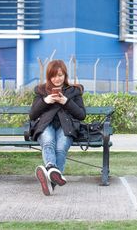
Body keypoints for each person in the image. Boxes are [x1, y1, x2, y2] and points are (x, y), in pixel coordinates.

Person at [29, 60, 85, 196]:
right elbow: (32, 115)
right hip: (46, 125)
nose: (57, 79)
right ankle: (51, 169)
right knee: (48, 142)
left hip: (66, 126)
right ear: (49, 77)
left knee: (60, 148)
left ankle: (50, 180)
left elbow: (82, 115)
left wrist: (66, 102)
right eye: (53, 76)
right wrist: (45, 101)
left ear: (65, 75)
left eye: (60, 75)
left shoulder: (74, 91)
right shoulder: (41, 90)